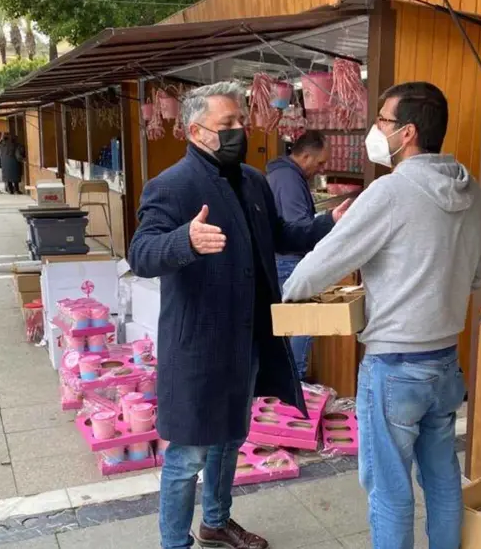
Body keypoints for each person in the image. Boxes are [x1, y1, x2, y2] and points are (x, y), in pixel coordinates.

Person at [128, 81, 350, 549]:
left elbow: (282, 234)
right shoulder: (171, 186)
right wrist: (183, 241)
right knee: (187, 454)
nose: (238, 131)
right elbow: (142, 253)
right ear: (195, 130)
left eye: (239, 123)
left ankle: (216, 521)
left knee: (231, 436)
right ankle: (175, 542)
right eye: (226, 124)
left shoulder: (252, 181)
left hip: (247, 339)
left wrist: (330, 223)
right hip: (197, 344)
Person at [283, 82, 481, 549]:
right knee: (441, 480)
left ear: (408, 132)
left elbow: (319, 264)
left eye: (382, 121)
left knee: (390, 490)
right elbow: (476, 277)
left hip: (395, 367)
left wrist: (285, 298)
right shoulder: (471, 188)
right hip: (446, 362)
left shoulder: (390, 192)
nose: (376, 129)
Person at [264, 130, 329, 380]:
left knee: (289, 325)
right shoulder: (288, 179)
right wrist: (328, 223)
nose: (322, 169)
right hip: (289, 261)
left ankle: (287, 380)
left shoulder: (283, 174)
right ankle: (294, 380)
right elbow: (297, 228)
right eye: (320, 162)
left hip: (282, 260)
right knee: (302, 323)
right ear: (304, 156)